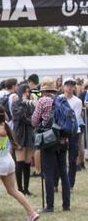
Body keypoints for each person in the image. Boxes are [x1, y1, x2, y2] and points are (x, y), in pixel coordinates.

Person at [32, 77, 71, 212]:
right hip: (63, 139)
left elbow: (34, 121)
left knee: (48, 172)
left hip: (49, 140)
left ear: (43, 88)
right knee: (63, 172)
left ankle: (50, 206)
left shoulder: (42, 100)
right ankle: (66, 205)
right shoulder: (62, 99)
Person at [11, 84, 35, 195]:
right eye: (25, 91)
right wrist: (23, 103)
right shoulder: (16, 103)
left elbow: (34, 118)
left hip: (30, 133)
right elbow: (19, 116)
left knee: (27, 162)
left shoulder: (31, 104)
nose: (27, 94)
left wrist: (28, 118)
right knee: (19, 161)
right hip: (20, 134)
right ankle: (19, 188)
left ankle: (26, 188)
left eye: (28, 91)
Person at [60, 78, 82, 189]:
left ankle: (70, 183)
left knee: (72, 159)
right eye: (67, 85)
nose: (69, 87)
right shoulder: (59, 99)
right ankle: (56, 182)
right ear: (63, 86)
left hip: (73, 131)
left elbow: (75, 118)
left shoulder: (77, 101)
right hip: (60, 132)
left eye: (72, 85)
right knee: (59, 159)